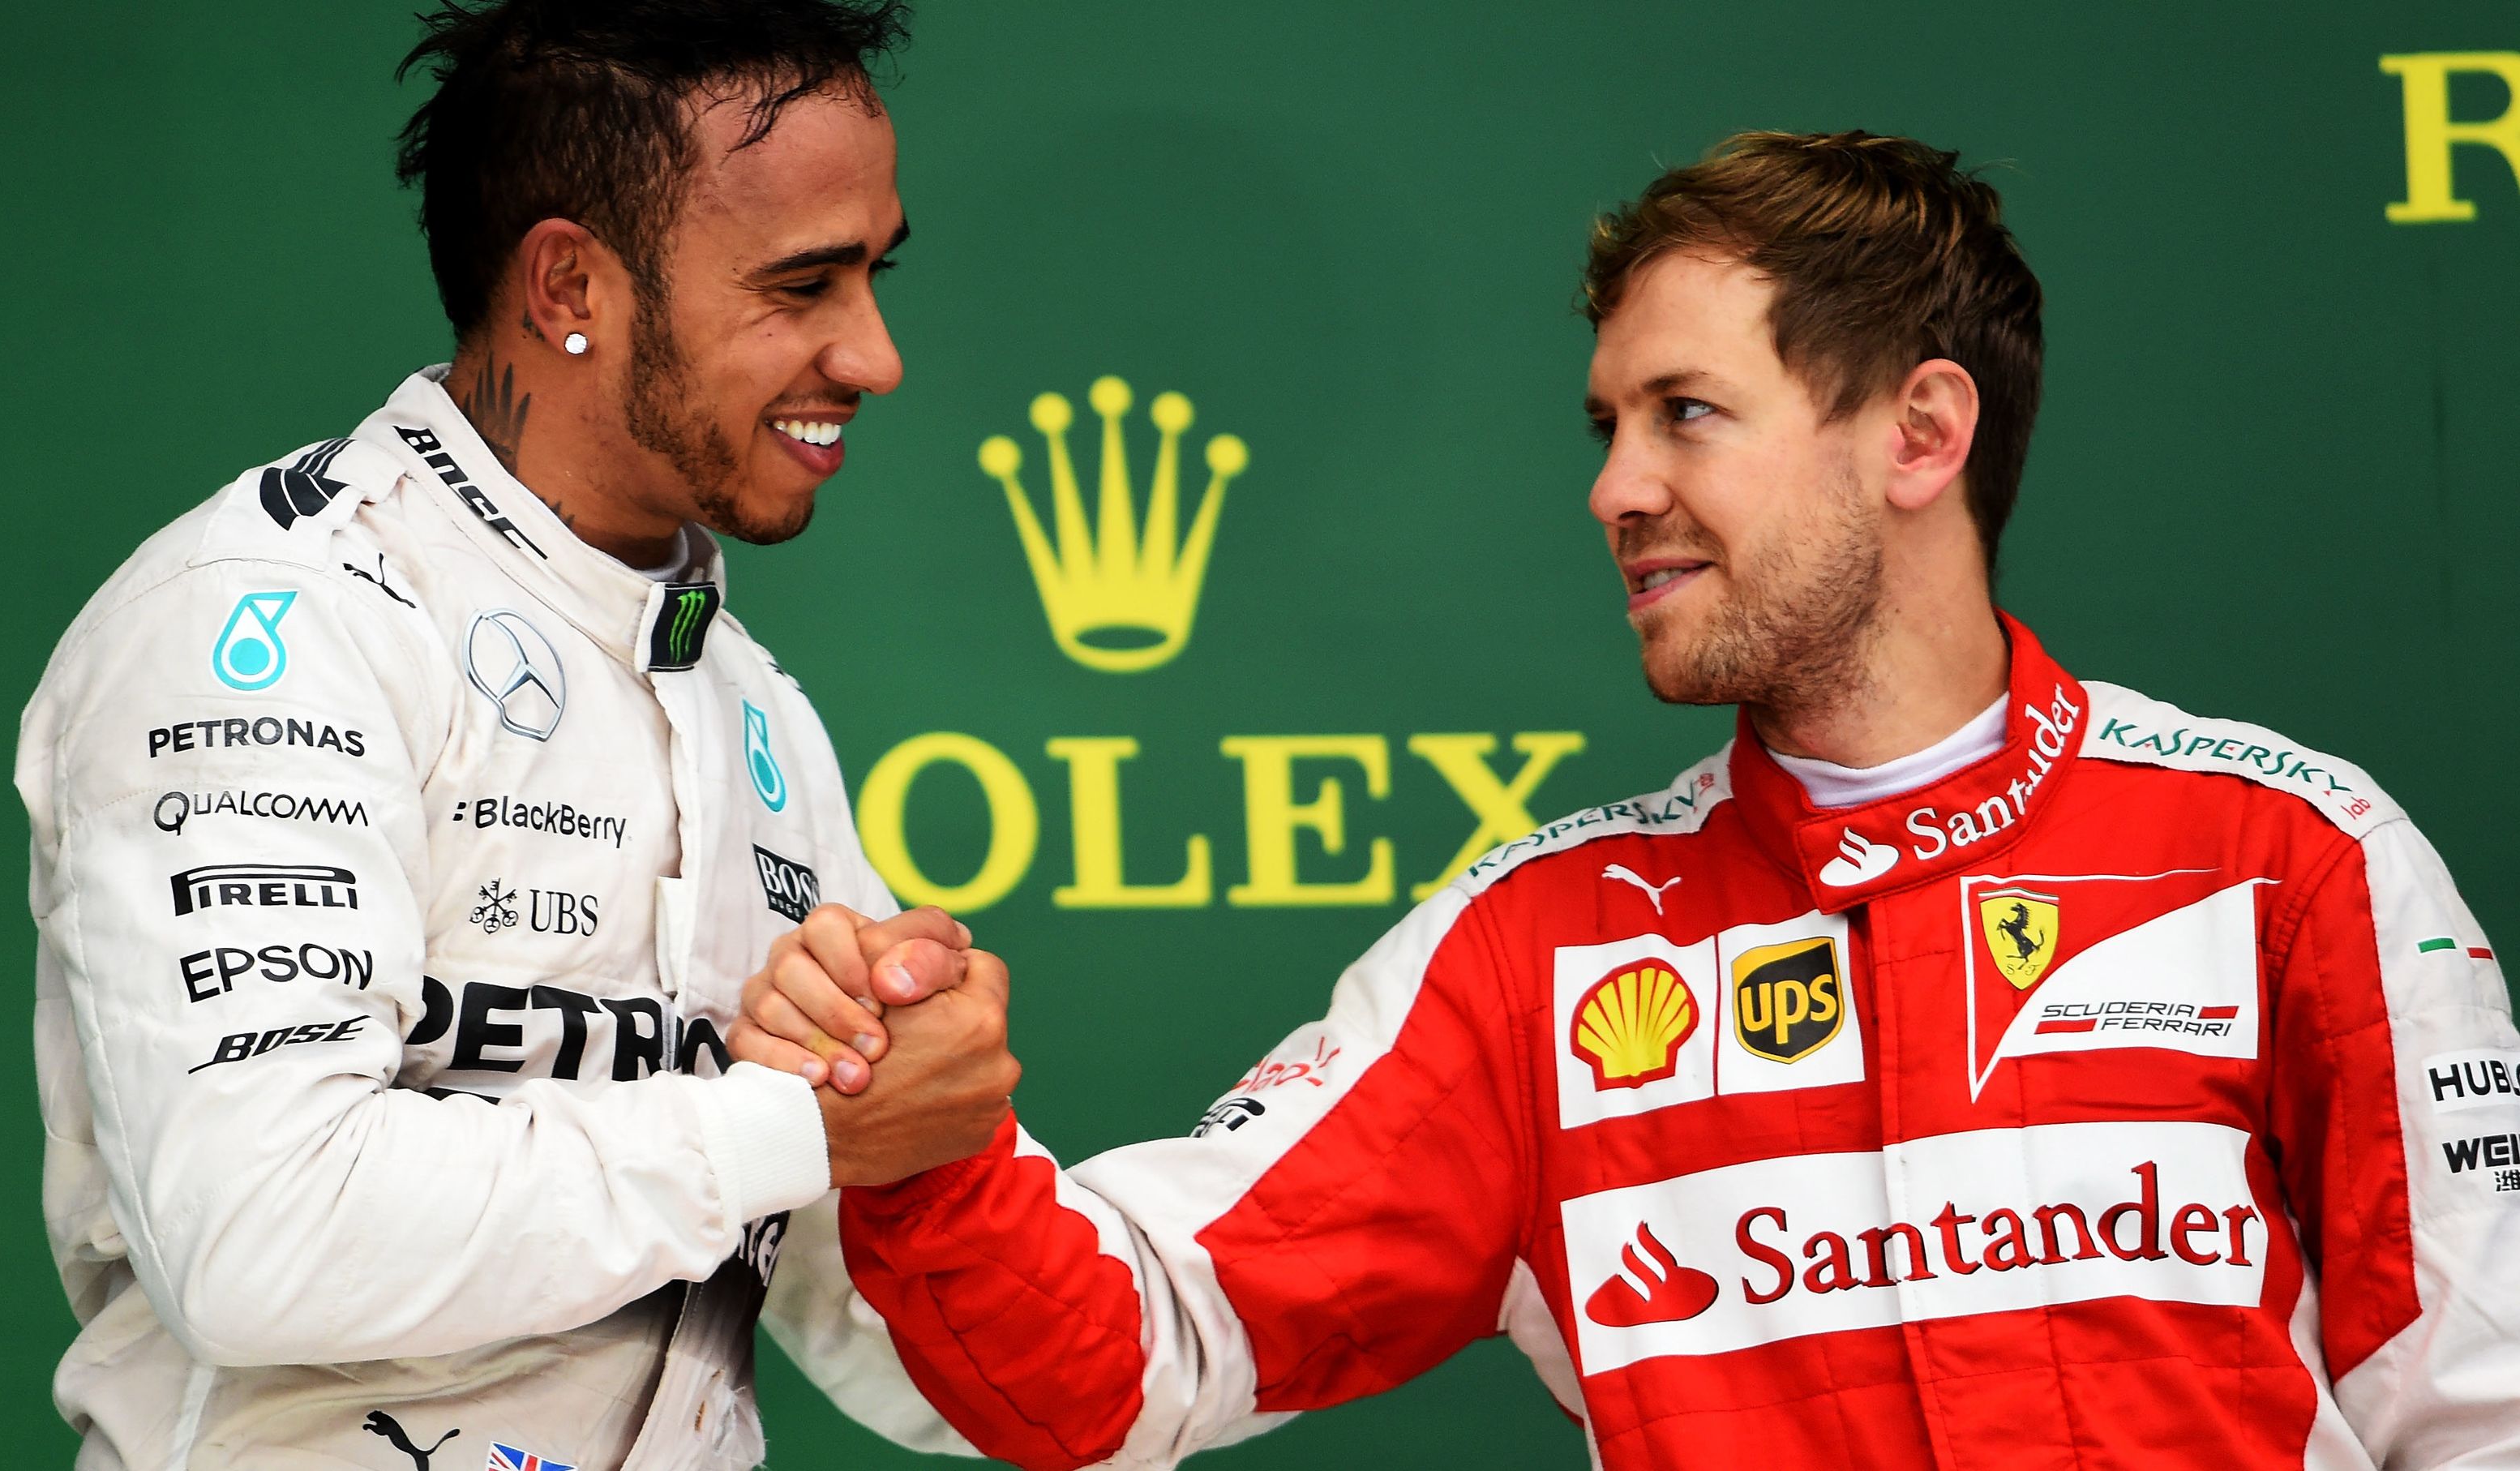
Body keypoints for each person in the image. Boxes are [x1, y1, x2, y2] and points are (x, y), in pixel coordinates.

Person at [735, 132, 2520, 1468]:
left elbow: (2477, 1406)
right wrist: (931, 1152)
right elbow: (1124, 1355)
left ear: (1921, 434)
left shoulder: (2286, 852)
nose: (1614, 489)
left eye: (1685, 415)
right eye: (1606, 426)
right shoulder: (1544, 947)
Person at [13, 2, 1011, 1467]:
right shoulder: (278, 621)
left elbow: (879, 1310)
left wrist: (927, 1121)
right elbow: (261, 1230)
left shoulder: (759, 713)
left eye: (874, 273)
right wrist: (799, 1126)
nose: (874, 356)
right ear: (568, 285)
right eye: (803, 285)